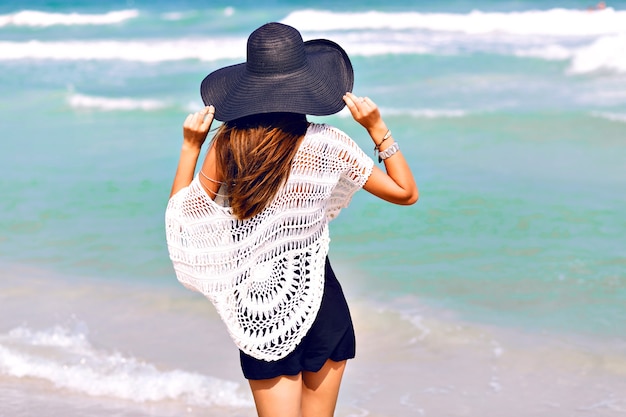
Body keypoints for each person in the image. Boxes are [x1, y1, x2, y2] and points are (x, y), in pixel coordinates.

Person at [165, 22, 418, 417]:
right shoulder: (329, 143)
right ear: (306, 84)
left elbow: (183, 219)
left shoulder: (228, 145)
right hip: (320, 297)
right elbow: (405, 193)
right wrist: (377, 128)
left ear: (248, 86)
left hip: (260, 306)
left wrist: (190, 146)